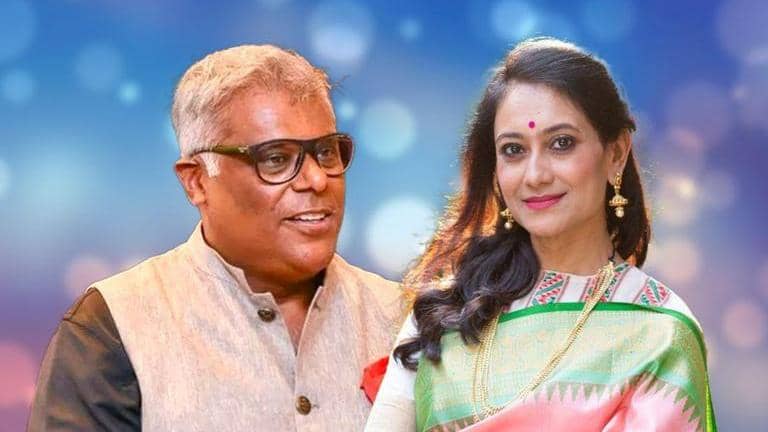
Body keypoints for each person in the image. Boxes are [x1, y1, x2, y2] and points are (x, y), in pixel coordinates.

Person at [29, 44, 403, 431]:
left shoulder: (405, 317)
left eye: (326, 152)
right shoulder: (114, 326)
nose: (317, 179)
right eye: (276, 158)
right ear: (196, 181)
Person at [366, 38, 716, 431]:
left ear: (616, 153)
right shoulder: (445, 314)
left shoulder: (658, 332)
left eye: (561, 144)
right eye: (513, 150)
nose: (535, 175)